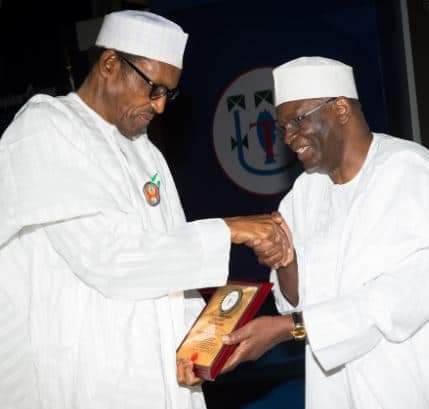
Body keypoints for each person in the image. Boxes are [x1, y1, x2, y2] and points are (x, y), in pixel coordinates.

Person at [0, 10, 292, 409]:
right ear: (109, 64)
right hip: (88, 376)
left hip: (158, 373)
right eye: (154, 88)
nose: (160, 106)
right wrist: (229, 229)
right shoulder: (45, 128)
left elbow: (173, 263)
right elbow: (109, 258)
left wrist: (197, 341)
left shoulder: (146, 153)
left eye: (168, 94)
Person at [219, 57, 429, 408]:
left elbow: (407, 297)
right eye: (283, 127)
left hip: (421, 382)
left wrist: (290, 328)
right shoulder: (304, 194)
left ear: (341, 109)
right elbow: (296, 300)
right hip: (341, 390)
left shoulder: (408, 171)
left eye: (298, 121)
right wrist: (285, 261)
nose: (288, 138)